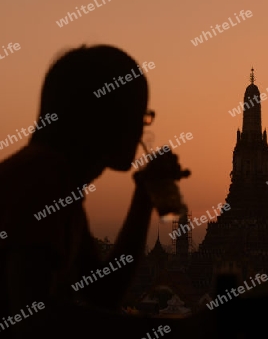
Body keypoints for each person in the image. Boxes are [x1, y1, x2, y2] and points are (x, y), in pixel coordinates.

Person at [0, 45, 190, 338]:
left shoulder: (63, 186)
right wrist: (171, 332)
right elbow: (31, 316)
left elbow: (103, 294)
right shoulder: (42, 174)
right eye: (138, 116)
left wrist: (144, 198)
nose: (142, 129)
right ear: (104, 118)